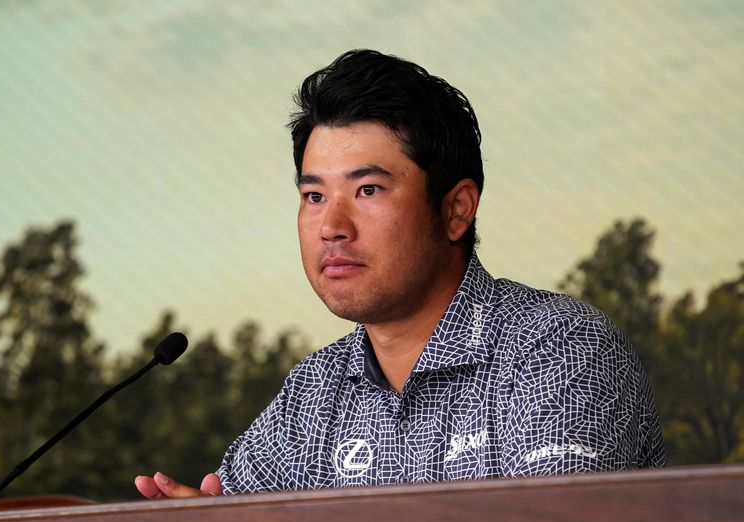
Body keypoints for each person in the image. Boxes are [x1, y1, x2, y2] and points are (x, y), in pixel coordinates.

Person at [135, 49, 666, 499]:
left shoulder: (559, 348)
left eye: (368, 190)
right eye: (314, 196)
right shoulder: (313, 394)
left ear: (457, 208)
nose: (331, 227)